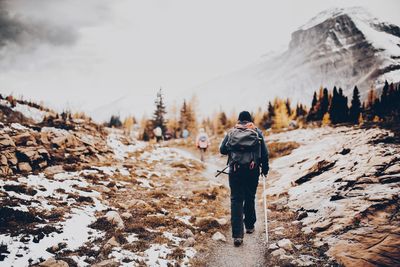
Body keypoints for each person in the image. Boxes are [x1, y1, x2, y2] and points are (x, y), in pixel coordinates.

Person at [219, 111, 269, 247]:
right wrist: (265, 169)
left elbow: (222, 150)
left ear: (239, 120)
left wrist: (235, 149)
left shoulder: (231, 132)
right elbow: (264, 153)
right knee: (250, 196)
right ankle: (250, 225)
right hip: (252, 170)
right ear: (250, 120)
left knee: (236, 199)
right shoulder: (257, 132)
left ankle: (237, 236)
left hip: (235, 170)